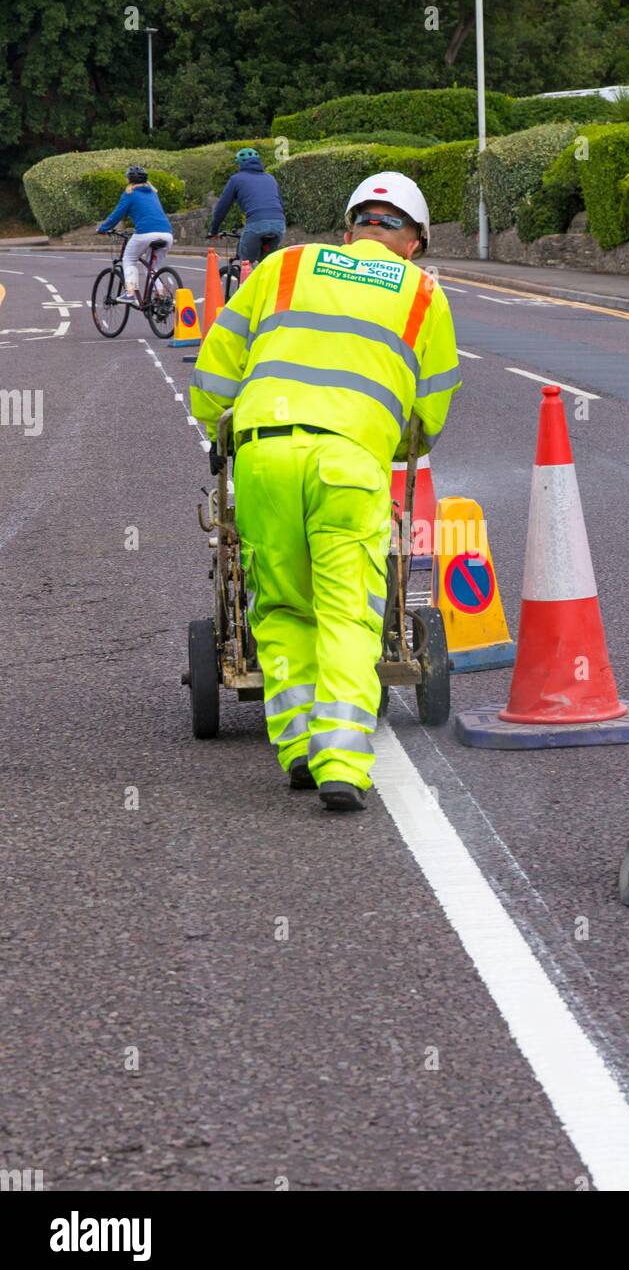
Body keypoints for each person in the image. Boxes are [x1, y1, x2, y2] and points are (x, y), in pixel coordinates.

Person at [190, 172, 460, 812]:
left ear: (349, 230)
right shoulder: (424, 293)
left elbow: (216, 369)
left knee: (282, 609)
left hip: (261, 453)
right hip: (349, 462)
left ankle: (300, 752)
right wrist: (384, 442)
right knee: (348, 609)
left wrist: (220, 429)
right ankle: (341, 761)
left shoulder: (283, 267)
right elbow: (428, 418)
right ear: (415, 242)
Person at [96, 166, 174, 304]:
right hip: (167, 234)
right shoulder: (153, 192)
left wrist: (103, 228)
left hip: (146, 233)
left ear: (129, 180)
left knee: (129, 258)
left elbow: (116, 216)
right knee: (152, 267)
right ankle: (160, 296)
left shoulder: (130, 194)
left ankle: (130, 293)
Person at [209, 148, 286, 262]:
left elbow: (222, 207)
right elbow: (281, 203)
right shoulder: (270, 178)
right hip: (279, 225)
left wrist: (214, 231)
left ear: (240, 164)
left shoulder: (236, 179)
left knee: (246, 263)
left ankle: (246, 277)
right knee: (267, 264)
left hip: (256, 224)